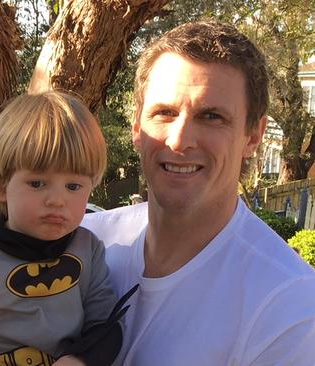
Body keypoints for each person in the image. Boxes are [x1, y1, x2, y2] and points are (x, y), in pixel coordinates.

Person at [82, 21, 315, 365]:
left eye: (211, 116)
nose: (179, 140)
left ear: (253, 136)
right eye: (164, 112)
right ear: (136, 127)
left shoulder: (288, 308)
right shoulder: (85, 244)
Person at [0, 91, 131, 366]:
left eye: (73, 186)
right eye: (37, 183)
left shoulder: (87, 248)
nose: (57, 200)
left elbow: (106, 325)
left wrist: (80, 360)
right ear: (0, 187)